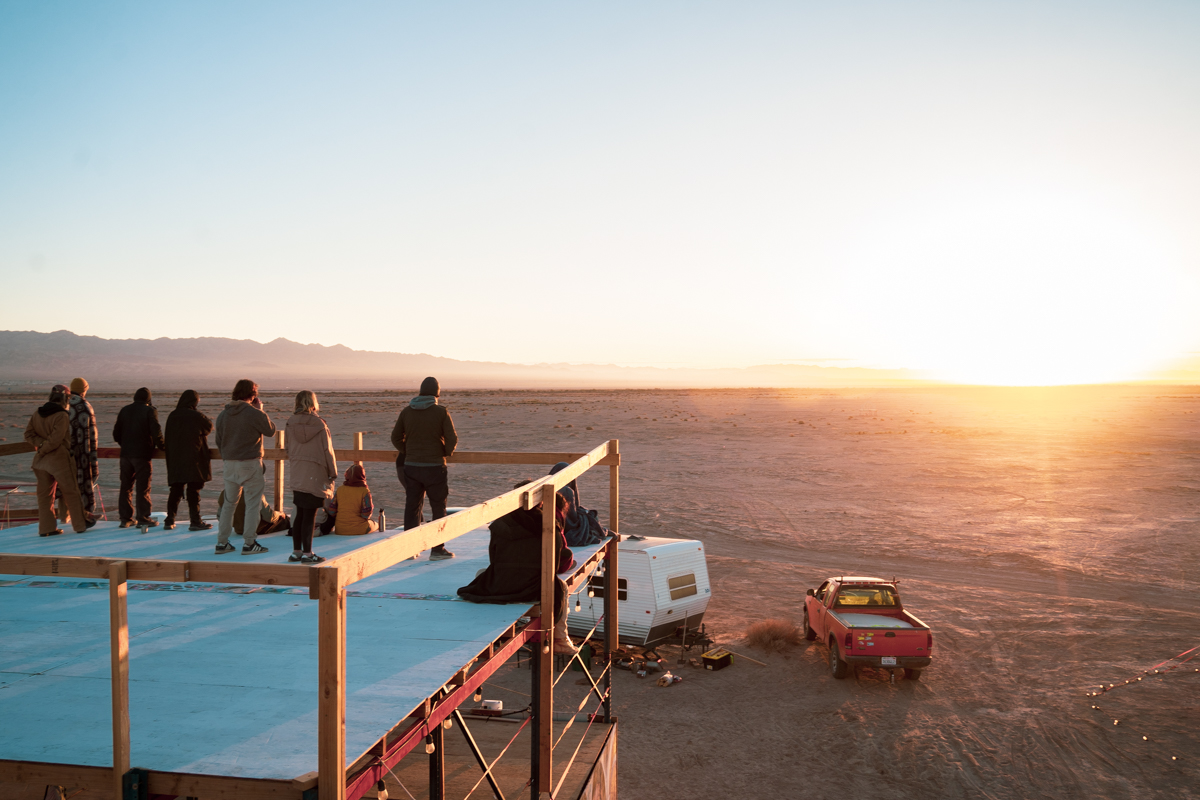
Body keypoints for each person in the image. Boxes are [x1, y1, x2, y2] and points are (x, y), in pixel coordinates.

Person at [457, 480, 577, 653]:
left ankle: (484, 631)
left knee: (481, 574)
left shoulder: (499, 524)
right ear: (540, 501)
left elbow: (494, 559)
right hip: (533, 588)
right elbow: (556, 564)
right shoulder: (548, 524)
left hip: (501, 585)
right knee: (561, 586)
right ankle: (560, 639)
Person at [391, 376, 457, 559]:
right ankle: (437, 549)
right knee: (438, 507)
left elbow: (395, 437)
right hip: (435, 467)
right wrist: (444, 452)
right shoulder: (441, 412)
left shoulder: (406, 412)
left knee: (412, 506)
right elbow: (452, 439)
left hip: (411, 467)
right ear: (437, 393)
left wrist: (409, 451)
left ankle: (409, 549)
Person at [214, 379, 276, 555]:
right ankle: (249, 543)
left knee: (228, 504)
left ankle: (222, 542)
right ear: (253, 394)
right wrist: (260, 411)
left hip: (229, 464)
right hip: (249, 462)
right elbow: (270, 430)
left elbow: (219, 441)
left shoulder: (223, 415)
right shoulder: (253, 413)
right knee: (252, 504)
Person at [24, 385, 91, 536]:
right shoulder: (62, 416)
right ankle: (80, 525)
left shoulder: (37, 413)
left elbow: (28, 434)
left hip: (41, 463)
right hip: (59, 460)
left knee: (45, 496)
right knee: (71, 492)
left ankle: (46, 528)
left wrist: (41, 446)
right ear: (65, 398)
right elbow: (55, 440)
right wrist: (45, 448)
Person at [286, 390, 337, 563]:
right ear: (313, 403)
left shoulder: (290, 423)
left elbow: (288, 448)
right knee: (310, 514)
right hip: (315, 473)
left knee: (300, 512)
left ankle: (296, 552)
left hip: (298, 471)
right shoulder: (320, 424)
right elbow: (327, 451)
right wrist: (333, 472)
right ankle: (308, 553)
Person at [112, 387, 165, 529]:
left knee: (126, 487)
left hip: (125, 454)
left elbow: (116, 433)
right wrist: (162, 446)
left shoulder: (125, 410)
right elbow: (156, 431)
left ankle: (125, 519)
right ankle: (142, 517)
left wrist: (125, 444)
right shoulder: (150, 411)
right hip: (142, 454)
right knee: (143, 487)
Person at [164, 390, 213, 531]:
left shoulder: (173, 415)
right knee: (194, 491)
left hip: (176, 458)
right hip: (194, 458)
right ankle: (195, 521)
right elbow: (208, 427)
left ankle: (170, 520)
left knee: (176, 490)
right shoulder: (196, 416)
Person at [548, 462, 608, 547]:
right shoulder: (566, 492)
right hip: (565, 527)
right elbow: (572, 516)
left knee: (587, 515)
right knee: (591, 517)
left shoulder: (545, 487)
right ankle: (604, 531)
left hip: (548, 524)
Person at [66, 377, 99, 525]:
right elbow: (92, 434)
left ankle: (67, 517)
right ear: (84, 390)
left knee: (68, 486)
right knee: (83, 484)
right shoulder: (85, 406)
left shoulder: (63, 404)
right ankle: (84, 517)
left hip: (64, 453)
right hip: (82, 453)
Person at [326, 464, 379, 536]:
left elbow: (332, 510)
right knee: (376, 525)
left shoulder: (340, 490)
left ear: (347, 475)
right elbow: (366, 513)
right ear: (362, 476)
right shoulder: (364, 491)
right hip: (359, 529)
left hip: (340, 529)